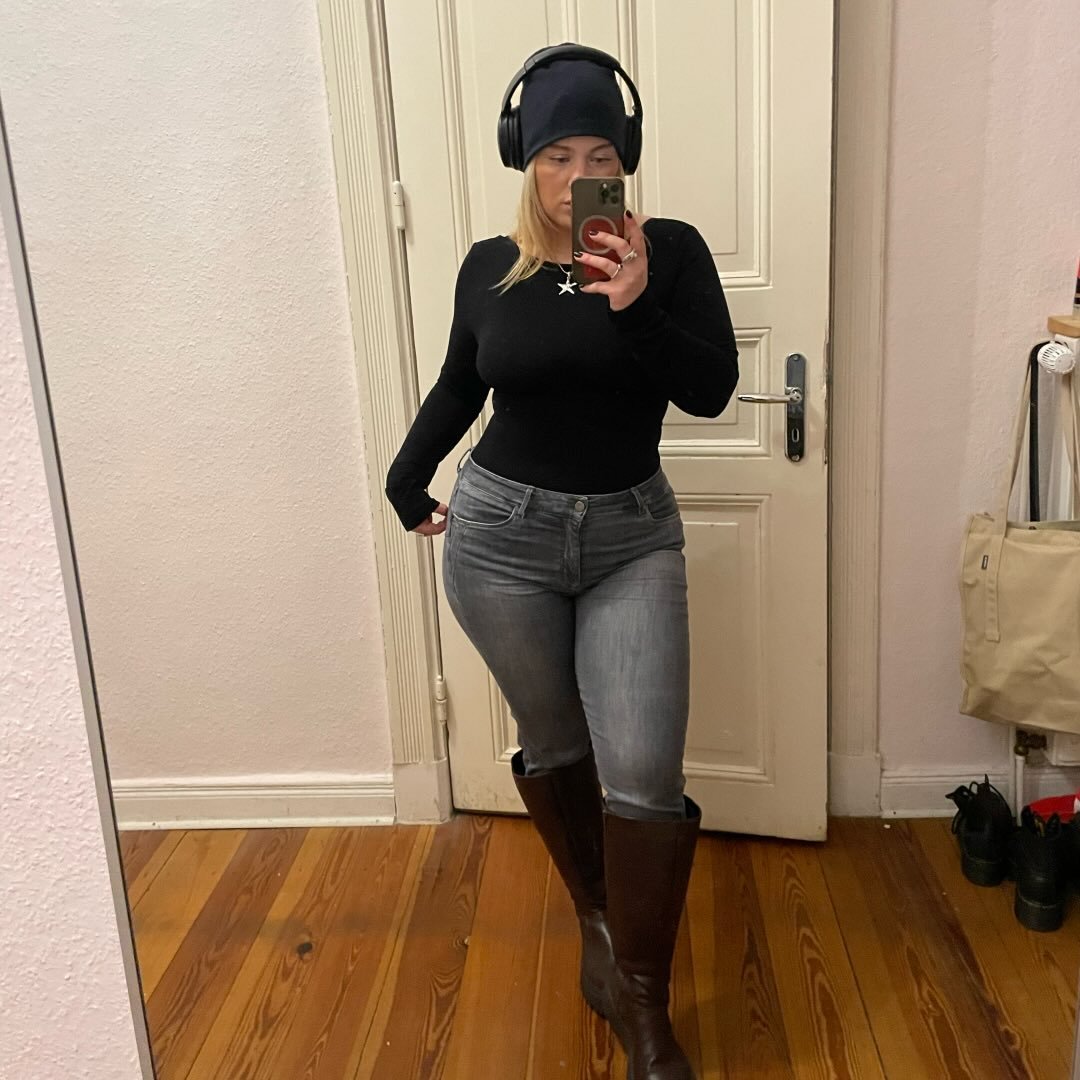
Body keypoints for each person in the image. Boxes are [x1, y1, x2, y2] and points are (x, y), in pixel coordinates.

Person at [385, 43, 738, 1080]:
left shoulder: (670, 254)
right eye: (554, 155)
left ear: (624, 163)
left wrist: (636, 302)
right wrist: (405, 476)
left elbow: (710, 389)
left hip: (632, 537)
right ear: (524, 161)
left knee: (646, 774)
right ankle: (598, 922)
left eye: (599, 156)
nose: (576, 174)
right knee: (553, 742)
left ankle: (644, 1011)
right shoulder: (487, 268)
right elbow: (462, 387)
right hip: (501, 539)